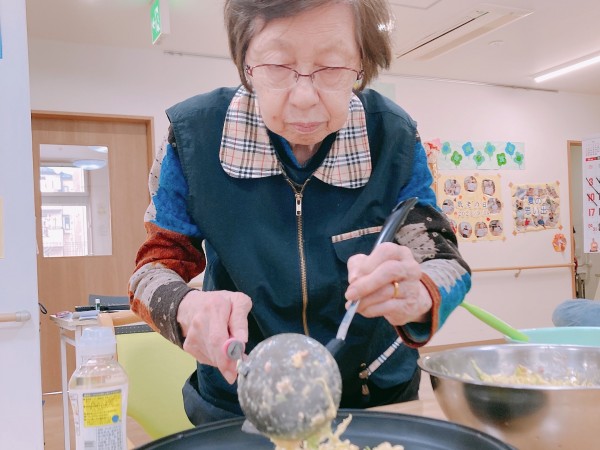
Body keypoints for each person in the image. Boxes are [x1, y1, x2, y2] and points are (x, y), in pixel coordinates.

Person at [128, 0, 472, 427]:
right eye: (277, 65)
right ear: (246, 63)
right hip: (240, 399)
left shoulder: (394, 139)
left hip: (372, 399)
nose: (305, 99)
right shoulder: (193, 139)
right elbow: (152, 270)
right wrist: (184, 307)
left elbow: (444, 261)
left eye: (332, 67)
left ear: (362, 63)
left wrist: (418, 293)